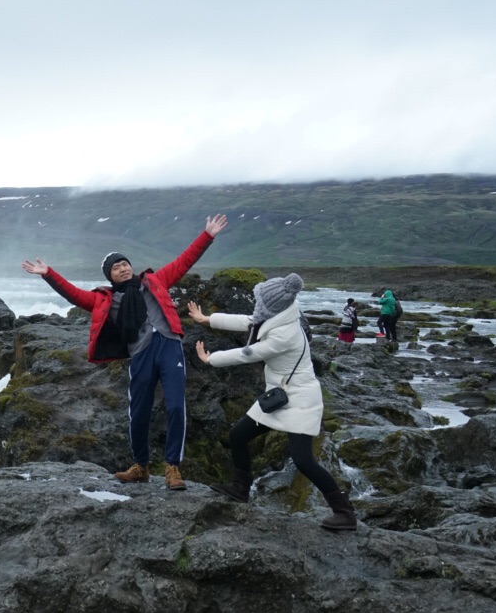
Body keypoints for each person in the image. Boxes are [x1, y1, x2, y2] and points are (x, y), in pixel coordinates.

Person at [22, 214, 229, 491]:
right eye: (116, 267)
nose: (123, 268)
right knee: (138, 411)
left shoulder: (155, 281)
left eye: (125, 263)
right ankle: (141, 466)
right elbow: (73, 294)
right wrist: (49, 274)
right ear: (109, 275)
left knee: (177, 406)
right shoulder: (105, 300)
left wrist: (207, 235)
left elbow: (184, 261)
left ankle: (172, 467)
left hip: (169, 346)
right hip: (141, 354)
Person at [188, 273, 357, 531]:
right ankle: (240, 488)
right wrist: (207, 319)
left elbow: (249, 354)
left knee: (303, 461)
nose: (256, 306)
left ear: (271, 306)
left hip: (299, 399)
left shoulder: (284, 334)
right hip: (279, 397)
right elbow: (247, 321)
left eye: (260, 301)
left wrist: (211, 359)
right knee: (238, 436)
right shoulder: (277, 316)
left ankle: (344, 512)